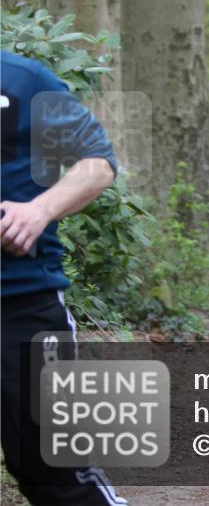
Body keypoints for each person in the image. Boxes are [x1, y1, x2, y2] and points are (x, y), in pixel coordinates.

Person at [1, 50, 128, 504]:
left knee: (53, 472)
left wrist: (39, 210)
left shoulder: (23, 79)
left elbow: (97, 162)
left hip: (20, 305)